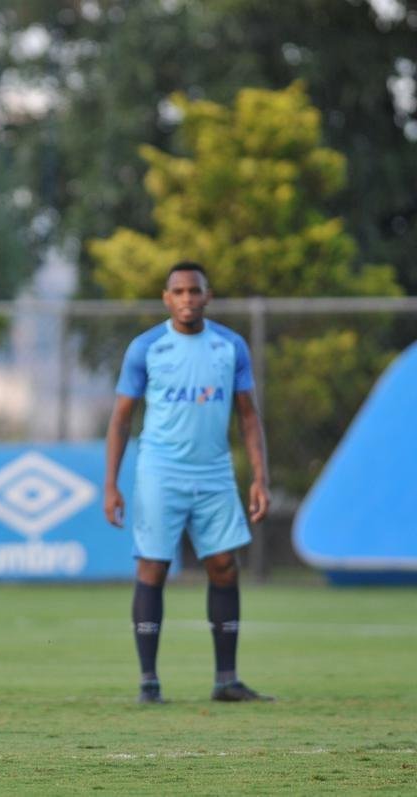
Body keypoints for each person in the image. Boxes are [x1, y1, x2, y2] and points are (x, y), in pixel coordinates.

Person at [104, 262, 272, 704]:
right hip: (160, 471)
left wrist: (260, 477)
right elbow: (121, 420)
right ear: (166, 298)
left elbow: (249, 416)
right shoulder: (147, 348)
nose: (186, 299)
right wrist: (111, 485)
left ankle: (227, 680)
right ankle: (148, 682)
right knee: (153, 567)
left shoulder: (230, 346)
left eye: (194, 291)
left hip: (214, 473)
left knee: (223, 566)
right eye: (177, 291)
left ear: (207, 296)